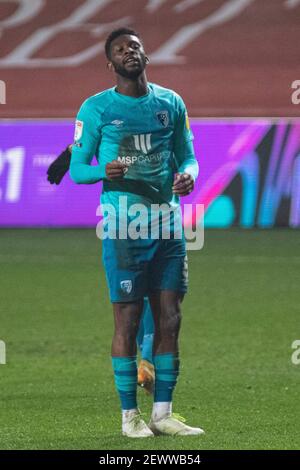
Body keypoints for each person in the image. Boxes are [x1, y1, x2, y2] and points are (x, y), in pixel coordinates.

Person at [66, 27, 204, 438]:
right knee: (126, 321)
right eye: (121, 49)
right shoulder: (95, 110)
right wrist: (101, 172)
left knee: (170, 319)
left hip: (167, 226)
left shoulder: (170, 102)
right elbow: (76, 171)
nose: (131, 52)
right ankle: (130, 418)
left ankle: (162, 413)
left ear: (146, 56)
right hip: (124, 227)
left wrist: (188, 177)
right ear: (111, 64)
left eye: (136, 46)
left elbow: (190, 157)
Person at [47, 147, 155, 394]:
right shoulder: (123, 114)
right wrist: (72, 156)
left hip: (137, 217)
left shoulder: (163, 112)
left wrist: (69, 153)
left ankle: (148, 364)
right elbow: (94, 138)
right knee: (146, 296)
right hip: (138, 218)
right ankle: (148, 363)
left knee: (141, 296)